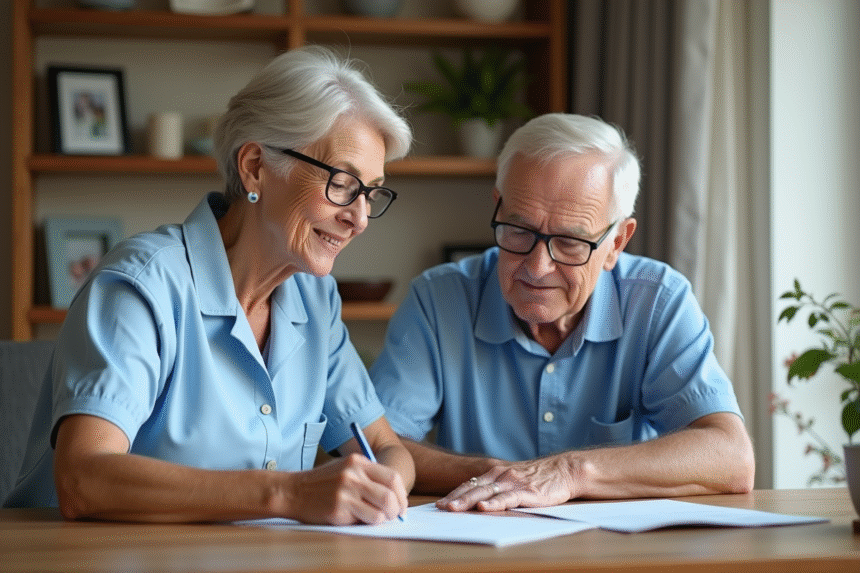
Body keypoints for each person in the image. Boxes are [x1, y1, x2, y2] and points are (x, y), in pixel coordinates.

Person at [4, 46, 415, 525]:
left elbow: (386, 446)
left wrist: (383, 486)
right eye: (343, 183)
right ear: (255, 166)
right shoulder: (142, 286)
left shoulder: (315, 299)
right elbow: (83, 479)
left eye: (371, 192)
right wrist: (286, 493)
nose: (360, 217)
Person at [370, 113, 755, 513]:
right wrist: (501, 475)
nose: (537, 267)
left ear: (617, 242)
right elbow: (379, 445)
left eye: (570, 242)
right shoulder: (438, 299)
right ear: (498, 207)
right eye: (518, 230)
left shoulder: (658, 301)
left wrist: (570, 472)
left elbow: (731, 458)